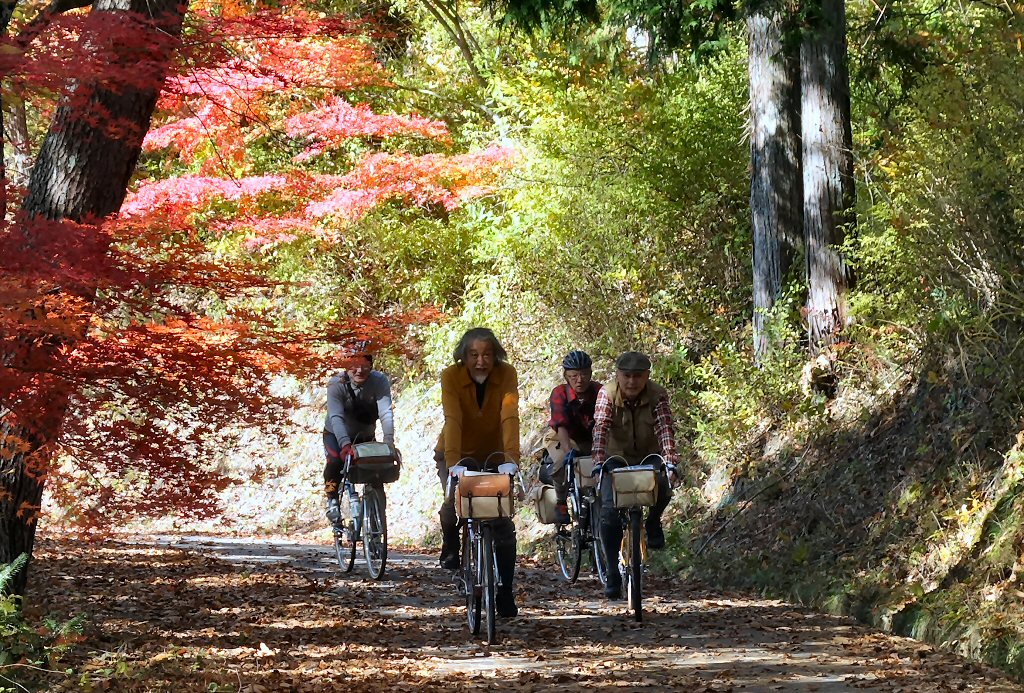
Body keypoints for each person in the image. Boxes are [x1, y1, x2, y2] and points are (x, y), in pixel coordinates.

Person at [433, 327, 521, 617]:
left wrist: (511, 459)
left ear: (496, 356)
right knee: (453, 505)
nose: (480, 362)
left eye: (487, 355)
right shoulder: (451, 376)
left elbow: (509, 415)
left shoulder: (506, 374)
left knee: (502, 522)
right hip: (456, 452)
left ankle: (505, 591)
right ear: (464, 356)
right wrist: (454, 463)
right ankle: (451, 545)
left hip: (495, 454)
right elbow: (453, 418)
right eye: (473, 355)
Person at [591, 350, 680, 599]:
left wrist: (670, 462)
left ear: (647, 376)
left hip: (647, 456)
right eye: (627, 375)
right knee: (609, 512)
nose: (632, 381)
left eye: (638, 376)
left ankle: (653, 521)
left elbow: (665, 429)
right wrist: (598, 464)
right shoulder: (607, 394)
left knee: (664, 484)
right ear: (618, 375)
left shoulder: (657, 395)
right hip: (614, 458)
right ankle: (611, 571)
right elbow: (600, 429)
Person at [322, 342, 395, 526]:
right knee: (335, 462)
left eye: (365, 364)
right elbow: (336, 417)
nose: (359, 370)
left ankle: (377, 518)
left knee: (375, 470)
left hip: (366, 435)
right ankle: (331, 499)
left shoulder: (379, 381)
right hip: (336, 434)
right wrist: (345, 445)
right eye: (354, 365)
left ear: (371, 364)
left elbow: (385, 412)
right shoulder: (336, 384)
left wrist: (388, 442)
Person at [539, 350, 602, 523]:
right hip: (562, 436)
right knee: (562, 462)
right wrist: (568, 452)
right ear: (566, 376)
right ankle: (561, 502)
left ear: (590, 373)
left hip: (591, 437)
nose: (579, 380)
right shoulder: (560, 393)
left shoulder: (599, 391)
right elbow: (561, 425)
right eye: (574, 376)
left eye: (584, 374)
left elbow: (606, 422)